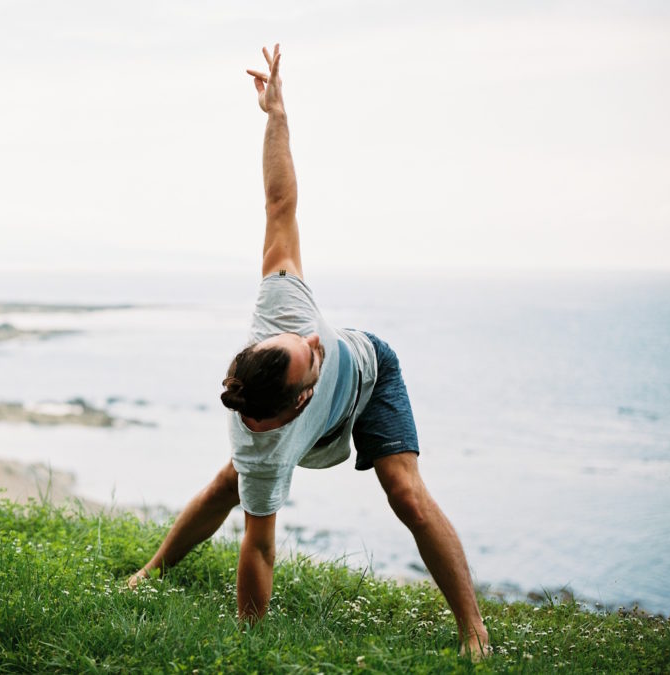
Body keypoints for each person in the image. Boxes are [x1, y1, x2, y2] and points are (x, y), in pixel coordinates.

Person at [128, 44, 491, 658]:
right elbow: (260, 548)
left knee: (405, 494)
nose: (316, 338)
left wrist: (276, 116)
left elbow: (279, 203)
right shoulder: (264, 450)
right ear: (296, 405)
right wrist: (248, 649)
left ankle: (474, 631)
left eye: (303, 343)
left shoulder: (282, 310)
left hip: (372, 378)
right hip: (314, 433)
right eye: (312, 358)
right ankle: (152, 571)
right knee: (232, 483)